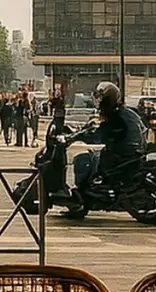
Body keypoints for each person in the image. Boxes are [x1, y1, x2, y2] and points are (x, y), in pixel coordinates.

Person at [60, 81, 148, 216]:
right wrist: (78, 132)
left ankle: (81, 202)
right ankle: (94, 189)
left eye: (102, 99)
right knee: (95, 156)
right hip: (132, 152)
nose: (99, 102)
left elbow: (98, 135)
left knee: (83, 160)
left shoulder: (116, 117)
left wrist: (74, 137)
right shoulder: (126, 113)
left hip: (121, 154)